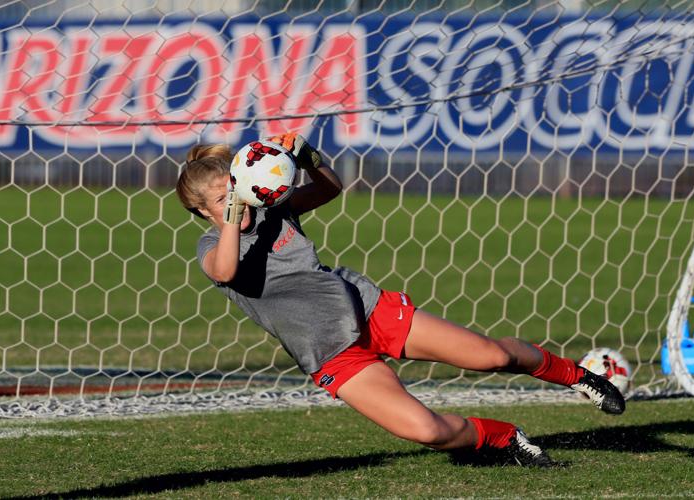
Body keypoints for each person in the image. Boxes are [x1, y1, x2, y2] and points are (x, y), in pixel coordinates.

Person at [176, 133, 625, 467]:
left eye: (236, 189)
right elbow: (226, 270)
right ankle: (504, 438)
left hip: (370, 311)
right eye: (221, 198)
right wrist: (232, 215)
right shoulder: (211, 247)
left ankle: (576, 375)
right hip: (333, 354)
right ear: (200, 211)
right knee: (426, 430)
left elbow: (330, 188)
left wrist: (308, 157)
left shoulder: (275, 210)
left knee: (489, 356)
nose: (238, 202)